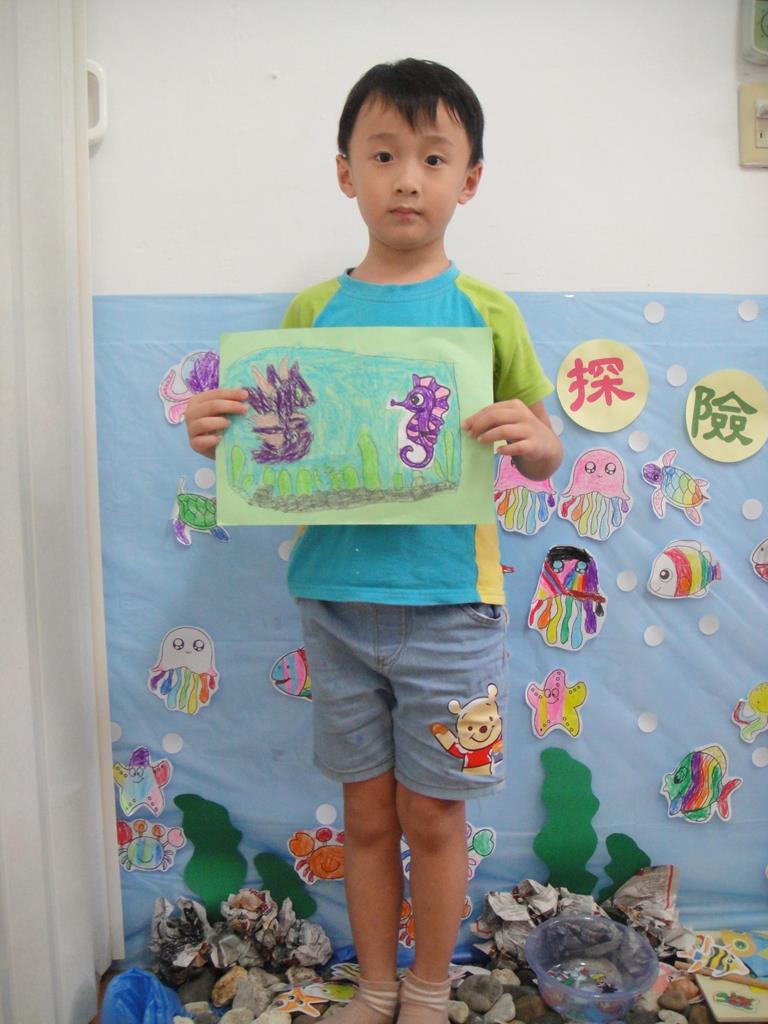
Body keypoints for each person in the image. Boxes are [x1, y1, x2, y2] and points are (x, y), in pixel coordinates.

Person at [186, 58, 562, 1024]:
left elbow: (546, 447)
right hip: (337, 604)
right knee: (363, 817)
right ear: (344, 171)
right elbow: (278, 452)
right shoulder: (314, 312)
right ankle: (377, 985)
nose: (407, 179)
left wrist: (534, 443)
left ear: (470, 179)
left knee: (434, 816)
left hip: (451, 606)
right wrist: (221, 438)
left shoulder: (487, 312)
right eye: (384, 154)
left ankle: (429, 987)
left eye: (433, 158)